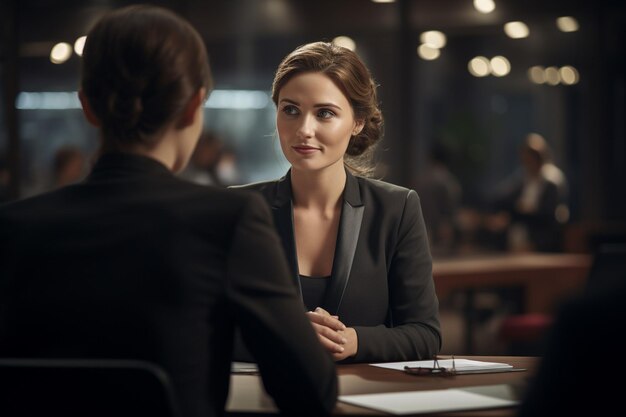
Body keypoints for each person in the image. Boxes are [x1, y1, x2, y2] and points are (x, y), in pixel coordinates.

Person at [0, 6, 336, 417]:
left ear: (87, 106)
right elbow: (310, 391)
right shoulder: (228, 220)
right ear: (194, 106)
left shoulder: (12, 229)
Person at [234, 41, 441, 363]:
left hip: (368, 399)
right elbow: (203, 328)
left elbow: (425, 334)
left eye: (325, 113)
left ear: (357, 122)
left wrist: (353, 341)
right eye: (290, 110)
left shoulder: (397, 209)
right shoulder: (237, 208)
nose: (304, 129)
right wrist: (282, 333)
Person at [484, 133, 569, 252]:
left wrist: (518, 213)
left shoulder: (551, 182)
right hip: (518, 236)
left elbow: (547, 216)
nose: (527, 162)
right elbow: (503, 199)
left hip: (540, 240)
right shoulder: (523, 180)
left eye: (531, 158)